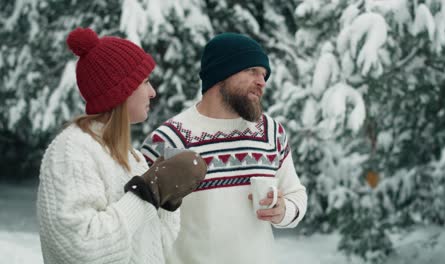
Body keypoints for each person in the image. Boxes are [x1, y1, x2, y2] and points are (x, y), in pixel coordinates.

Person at [36, 27, 207, 264]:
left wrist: (168, 200)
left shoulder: (132, 157)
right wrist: (147, 192)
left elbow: (154, 247)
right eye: (145, 82)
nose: (153, 92)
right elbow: (80, 249)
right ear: (121, 90)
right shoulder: (71, 150)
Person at [140, 32, 307, 264]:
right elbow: (141, 224)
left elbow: (296, 193)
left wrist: (284, 210)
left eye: (264, 74)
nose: (262, 82)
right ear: (221, 74)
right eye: (252, 71)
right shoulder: (167, 141)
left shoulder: (270, 132)